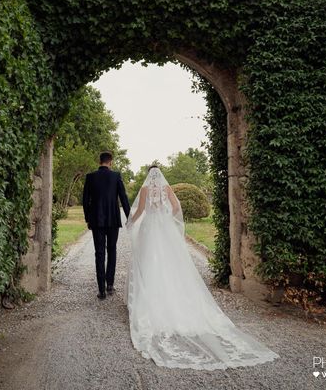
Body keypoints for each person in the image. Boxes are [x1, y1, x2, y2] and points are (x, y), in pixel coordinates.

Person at [124, 166, 279, 369]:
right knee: (170, 264)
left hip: (150, 227)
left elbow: (142, 210)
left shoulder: (145, 190)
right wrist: (168, 218)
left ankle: (148, 299)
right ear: (160, 176)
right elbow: (177, 208)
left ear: (148, 177)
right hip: (164, 227)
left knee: (149, 261)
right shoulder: (167, 189)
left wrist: (130, 222)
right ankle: (173, 298)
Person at [82, 151, 131, 300]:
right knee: (112, 250)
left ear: (100, 161)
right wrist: (129, 217)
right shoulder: (116, 176)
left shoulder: (90, 177)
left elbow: (85, 201)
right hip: (113, 219)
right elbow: (123, 197)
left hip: (96, 220)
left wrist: (88, 219)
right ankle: (110, 284)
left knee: (99, 253)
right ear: (111, 162)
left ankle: (101, 290)